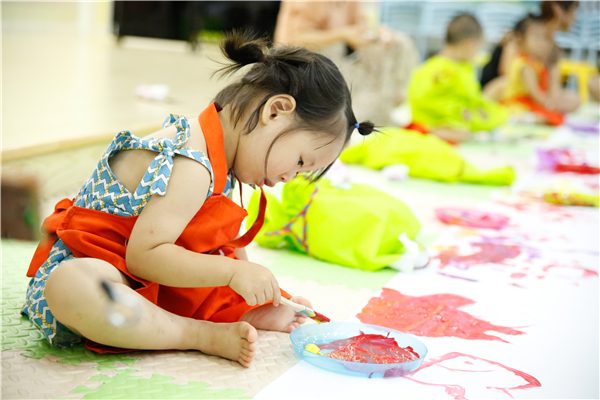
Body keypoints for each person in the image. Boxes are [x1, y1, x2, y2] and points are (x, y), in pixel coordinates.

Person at [21, 31, 375, 367]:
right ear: (275, 111)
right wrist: (235, 272)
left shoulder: (226, 157)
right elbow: (144, 257)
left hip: (149, 280)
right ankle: (195, 333)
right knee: (74, 285)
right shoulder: (192, 163)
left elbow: (219, 245)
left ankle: (221, 314)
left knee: (222, 273)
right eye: (299, 162)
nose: (288, 178)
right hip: (106, 266)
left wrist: (261, 293)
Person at [274, 1, 419, 126]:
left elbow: (361, 26)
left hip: (336, 59)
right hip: (300, 63)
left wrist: (378, 34)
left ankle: (388, 102)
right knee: (336, 49)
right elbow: (295, 39)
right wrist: (343, 34)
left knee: (400, 42)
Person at [407, 14, 509, 143]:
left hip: (423, 123)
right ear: (469, 44)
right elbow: (465, 108)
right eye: (478, 47)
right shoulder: (451, 71)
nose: (478, 53)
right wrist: (498, 116)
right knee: (464, 133)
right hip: (434, 127)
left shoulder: (427, 68)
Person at [481, 1, 580, 113]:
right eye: (573, 12)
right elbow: (507, 74)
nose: (575, 19)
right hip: (508, 88)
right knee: (504, 84)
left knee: (574, 99)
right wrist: (540, 96)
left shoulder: (554, 45)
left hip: (533, 90)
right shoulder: (527, 28)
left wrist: (550, 101)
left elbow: (553, 86)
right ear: (558, 10)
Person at [501, 15, 566, 125]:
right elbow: (534, 93)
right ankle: (521, 119)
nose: (541, 43)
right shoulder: (525, 66)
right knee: (550, 117)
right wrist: (549, 104)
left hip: (527, 102)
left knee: (557, 115)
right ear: (521, 39)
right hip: (519, 104)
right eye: (536, 38)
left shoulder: (535, 63)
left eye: (543, 38)